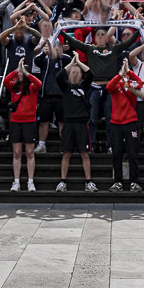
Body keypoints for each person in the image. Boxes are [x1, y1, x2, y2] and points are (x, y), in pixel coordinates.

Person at [55, 54, 98, 192]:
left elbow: (90, 74)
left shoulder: (83, 86)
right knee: (66, 153)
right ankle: (63, 181)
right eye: (72, 73)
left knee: (84, 153)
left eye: (77, 72)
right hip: (68, 123)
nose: (74, 74)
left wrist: (79, 62)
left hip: (81, 124)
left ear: (80, 75)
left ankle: (88, 182)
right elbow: (58, 77)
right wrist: (70, 65)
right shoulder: (65, 87)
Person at [4, 58, 42, 191]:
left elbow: (39, 83)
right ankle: (16, 181)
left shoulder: (32, 87)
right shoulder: (14, 88)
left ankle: (30, 182)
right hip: (15, 122)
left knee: (30, 152)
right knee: (16, 152)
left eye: (22, 73)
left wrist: (26, 72)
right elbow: (5, 81)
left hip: (29, 122)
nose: (20, 75)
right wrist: (16, 70)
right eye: (20, 73)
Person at [106, 60, 143, 192]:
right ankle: (118, 181)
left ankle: (134, 181)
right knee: (117, 153)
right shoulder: (116, 86)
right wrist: (120, 74)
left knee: (132, 153)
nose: (125, 76)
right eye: (124, 73)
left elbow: (141, 83)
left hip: (130, 122)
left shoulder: (132, 86)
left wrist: (129, 72)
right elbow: (108, 87)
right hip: (116, 123)